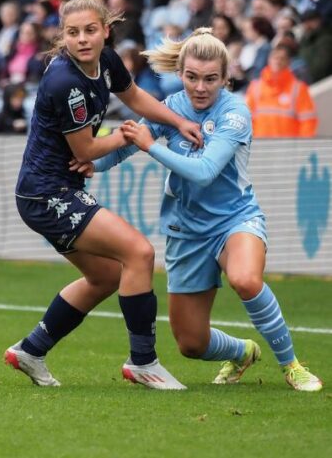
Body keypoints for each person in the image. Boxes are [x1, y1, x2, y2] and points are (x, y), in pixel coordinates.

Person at [93, 28, 322, 392]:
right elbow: (122, 148)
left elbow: (204, 172)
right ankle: (242, 352)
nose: (200, 87)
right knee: (191, 344)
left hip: (236, 219)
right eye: (192, 77)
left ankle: (292, 365)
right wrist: (86, 163)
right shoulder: (171, 107)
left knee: (246, 279)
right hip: (186, 231)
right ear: (180, 73)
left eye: (211, 79)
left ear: (226, 77)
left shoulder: (235, 112)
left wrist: (152, 145)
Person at [3, 0, 203, 390]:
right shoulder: (65, 82)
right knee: (139, 252)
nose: (82, 39)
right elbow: (87, 150)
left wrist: (178, 121)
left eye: (90, 30)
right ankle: (143, 362)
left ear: (105, 31)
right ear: (63, 37)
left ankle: (31, 349)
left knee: (108, 276)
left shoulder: (107, 60)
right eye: (73, 33)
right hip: (46, 193)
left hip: (51, 191)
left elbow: (135, 98)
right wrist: (130, 135)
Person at [246, 44, 318, 138]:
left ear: (288, 62)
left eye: (282, 58)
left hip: (289, 148)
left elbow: (308, 121)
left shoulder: (299, 88)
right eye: (275, 57)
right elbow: (246, 120)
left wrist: (302, 147)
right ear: (269, 60)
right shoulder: (255, 87)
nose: (278, 61)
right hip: (261, 147)